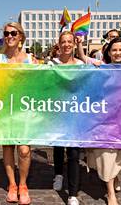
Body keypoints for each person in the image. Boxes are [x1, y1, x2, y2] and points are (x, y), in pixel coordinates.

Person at [87, 38, 121, 205]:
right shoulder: (101, 69)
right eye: (114, 50)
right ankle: (110, 193)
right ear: (108, 52)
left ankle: (114, 176)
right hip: (105, 122)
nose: (118, 53)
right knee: (106, 155)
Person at [0, 22, 36, 205]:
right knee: (8, 147)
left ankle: (23, 184)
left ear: (21, 37)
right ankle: (12, 185)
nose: (9, 36)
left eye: (13, 33)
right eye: (6, 33)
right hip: (5, 110)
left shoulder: (30, 60)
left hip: (25, 109)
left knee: (24, 150)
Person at [49, 31, 85, 205]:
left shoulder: (80, 65)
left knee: (73, 153)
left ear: (73, 43)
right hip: (57, 112)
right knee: (58, 147)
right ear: (59, 44)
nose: (66, 45)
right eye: (63, 42)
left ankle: (72, 193)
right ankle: (58, 174)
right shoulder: (52, 64)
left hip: (75, 114)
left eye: (69, 41)